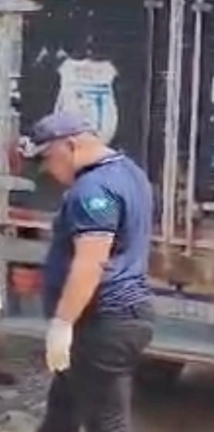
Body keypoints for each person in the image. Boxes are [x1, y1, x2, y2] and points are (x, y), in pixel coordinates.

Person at [19, 112, 154, 432]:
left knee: (106, 422)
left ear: (70, 144)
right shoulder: (130, 173)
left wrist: (62, 324)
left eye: (48, 159)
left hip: (102, 323)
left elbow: (89, 262)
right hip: (109, 319)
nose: (47, 171)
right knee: (61, 415)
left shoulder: (92, 190)